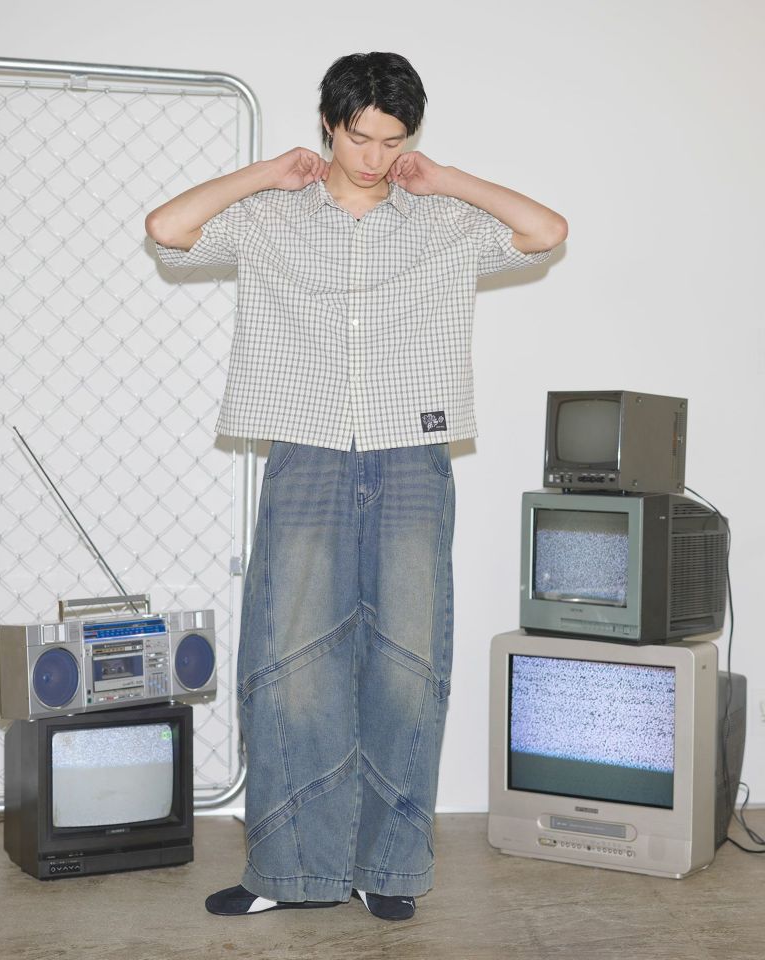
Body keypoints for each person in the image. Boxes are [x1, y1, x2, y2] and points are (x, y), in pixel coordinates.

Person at [145, 51, 567, 922]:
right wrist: (267, 171)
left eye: (393, 141)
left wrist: (445, 178)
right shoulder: (271, 215)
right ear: (329, 125)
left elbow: (546, 230)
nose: (374, 157)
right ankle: (289, 872)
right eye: (359, 137)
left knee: (409, 662)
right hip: (306, 451)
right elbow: (167, 229)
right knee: (290, 662)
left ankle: (388, 869)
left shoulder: (442, 219)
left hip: (412, 454)